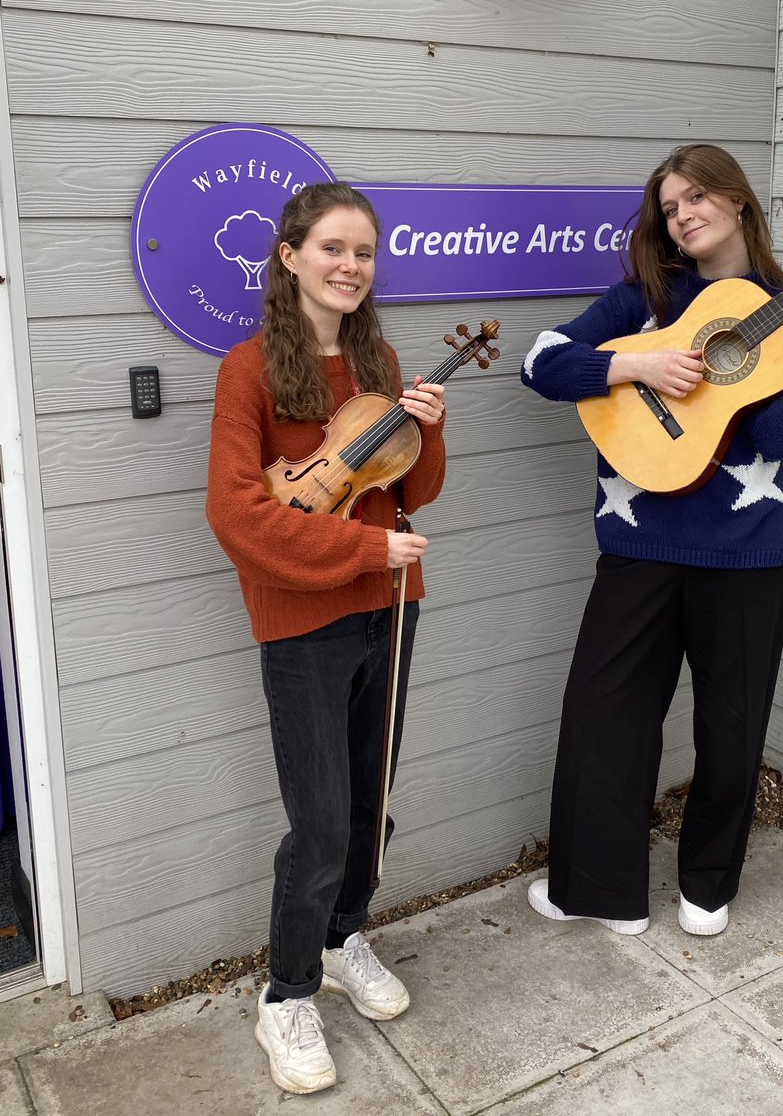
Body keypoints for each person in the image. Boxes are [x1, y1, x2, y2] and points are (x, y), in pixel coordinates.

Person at [520, 144, 783, 940]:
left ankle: (707, 885)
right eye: (669, 208)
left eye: (698, 197)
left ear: (738, 202)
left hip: (747, 547)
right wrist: (638, 365)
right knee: (604, 713)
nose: (684, 215)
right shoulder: (647, 295)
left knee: (730, 725)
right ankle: (600, 890)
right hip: (639, 539)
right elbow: (541, 361)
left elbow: (777, 435)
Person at [206, 181, 446, 1095]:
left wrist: (429, 429)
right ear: (290, 257)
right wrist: (360, 546)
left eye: (365, 254)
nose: (351, 267)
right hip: (304, 619)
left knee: (368, 801)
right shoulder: (250, 369)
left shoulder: (380, 357)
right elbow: (236, 514)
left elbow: (414, 491)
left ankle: (346, 936)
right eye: (334, 250)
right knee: (316, 821)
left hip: (393, 602)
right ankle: (287, 992)